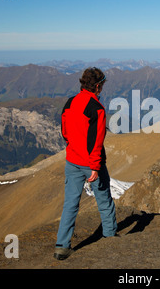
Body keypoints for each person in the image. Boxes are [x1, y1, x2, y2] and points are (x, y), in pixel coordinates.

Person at [54, 67, 117, 260]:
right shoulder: (96, 108)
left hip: (72, 160)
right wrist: (95, 166)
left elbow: (64, 131)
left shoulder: (70, 102)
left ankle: (61, 247)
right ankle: (110, 238)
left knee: (70, 204)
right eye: (102, 86)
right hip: (90, 163)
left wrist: (72, 146)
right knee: (104, 201)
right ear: (97, 86)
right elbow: (97, 140)